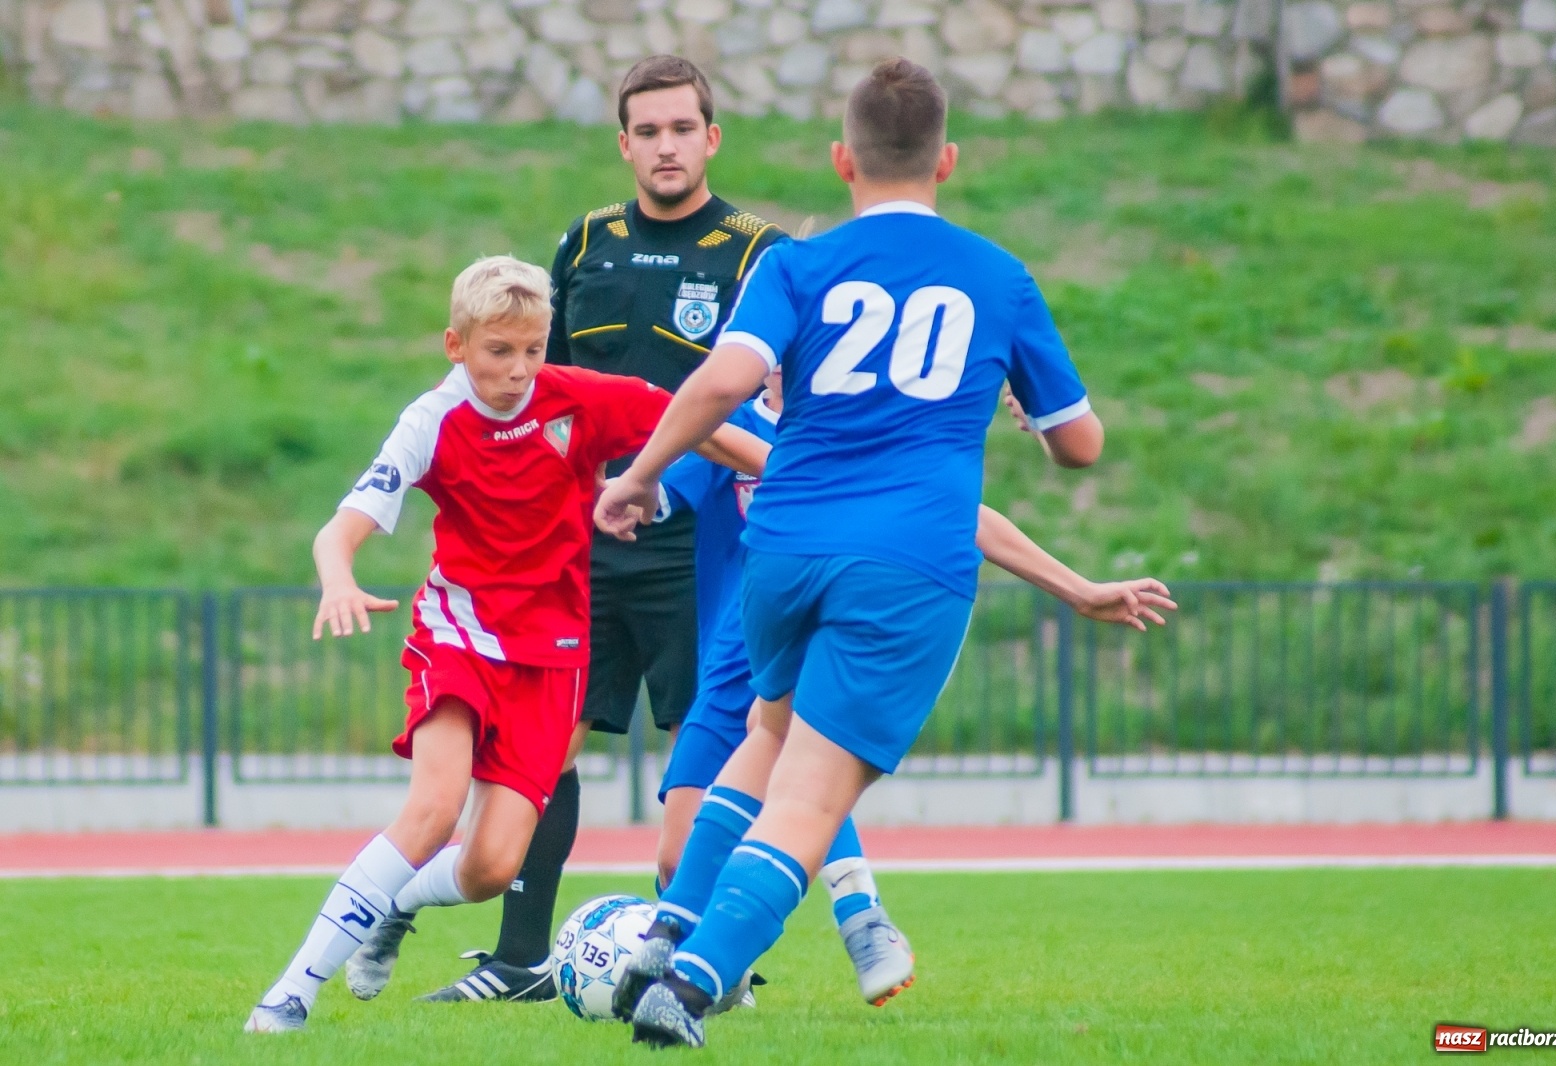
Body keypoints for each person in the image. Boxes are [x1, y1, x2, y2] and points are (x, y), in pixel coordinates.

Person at [592, 58, 1172, 1048]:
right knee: (813, 794)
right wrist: (1024, 411)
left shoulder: (794, 265)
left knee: (766, 741)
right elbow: (1081, 446)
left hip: (784, 547)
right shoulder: (996, 276)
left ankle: (665, 933)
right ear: (947, 159)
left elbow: (720, 383)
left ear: (840, 161)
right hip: (905, 567)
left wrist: (640, 474)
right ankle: (688, 988)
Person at [243, 256, 765, 1033]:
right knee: (433, 808)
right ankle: (288, 995)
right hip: (458, 638)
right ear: (456, 345)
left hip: (553, 659)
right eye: (499, 352)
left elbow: (692, 420)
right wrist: (338, 577)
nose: (519, 370)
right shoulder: (432, 421)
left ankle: (395, 905)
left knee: (490, 870)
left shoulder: (575, 397)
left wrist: (785, 472)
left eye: (533, 349)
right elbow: (341, 526)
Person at [387, 54, 791, 1006]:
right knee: (545, 751)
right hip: (582, 552)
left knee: (722, 759)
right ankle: (519, 959)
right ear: (624, 143)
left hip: (707, 552)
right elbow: (535, 390)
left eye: (681, 128)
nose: (665, 146)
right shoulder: (584, 245)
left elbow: (776, 391)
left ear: (711, 137)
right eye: (647, 131)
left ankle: (705, 962)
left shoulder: (756, 252)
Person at [645, 367, 1173, 1010]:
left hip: (821, 630)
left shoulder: (855, 427)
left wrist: (1081, 588)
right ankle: (737, 947)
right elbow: (670, 468)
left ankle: (825, 926)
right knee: (683, 850)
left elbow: (968, 516)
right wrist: (613, 476)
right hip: (738, 641)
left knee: (796, 764)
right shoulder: (739, 415)